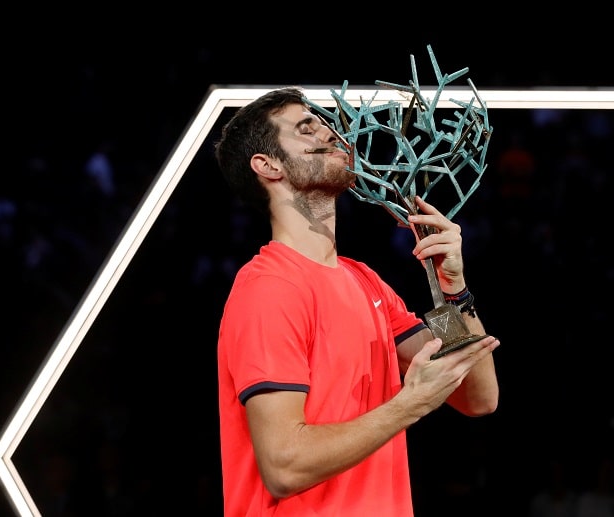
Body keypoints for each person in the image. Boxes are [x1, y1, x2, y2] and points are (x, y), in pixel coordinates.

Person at [213, 86, 500, 516]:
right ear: (267, 165)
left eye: (325, 124)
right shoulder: (268, 288)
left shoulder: (365, 282)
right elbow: (284, 466)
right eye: (306, 128)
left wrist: (450, 290)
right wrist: (407, 405)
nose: (329, 133)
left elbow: (477, 396)